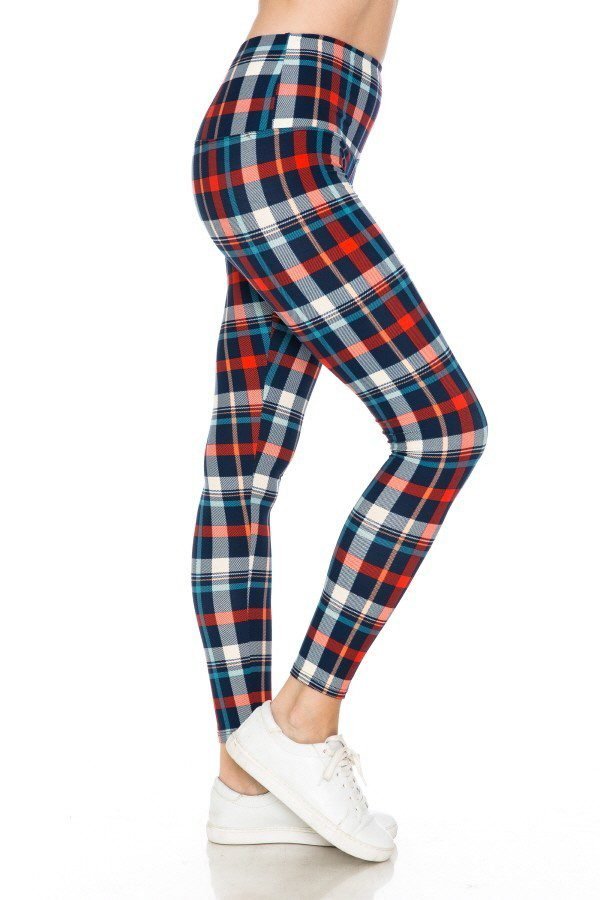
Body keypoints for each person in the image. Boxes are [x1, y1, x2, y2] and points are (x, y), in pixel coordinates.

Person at [191, 0, 487, 862]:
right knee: (443, 432)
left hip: (277, 125)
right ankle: (302, 719)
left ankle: (245, 786)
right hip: (283, 137)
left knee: (243, 472)